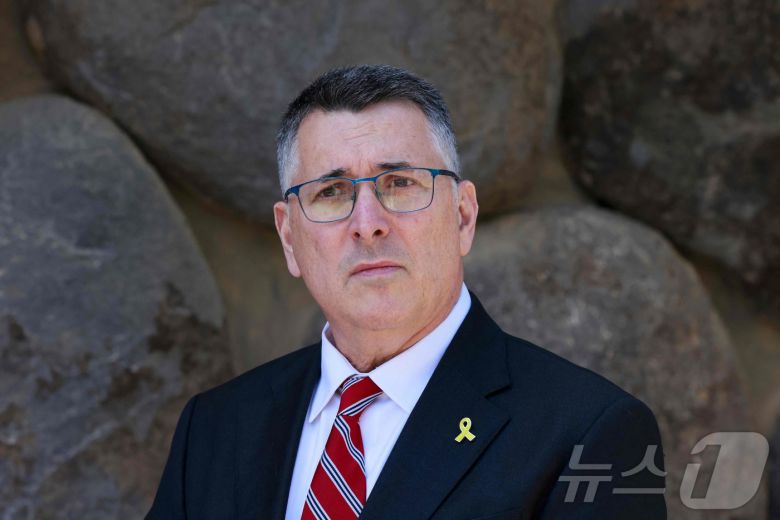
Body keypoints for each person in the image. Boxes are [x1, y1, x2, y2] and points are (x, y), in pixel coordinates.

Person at [147, 65, 666, 519]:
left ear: (462, 216)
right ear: (289, 238)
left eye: (399, 184)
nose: (367, 223)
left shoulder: (589, 433)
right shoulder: (214, 428)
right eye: (331, 192)